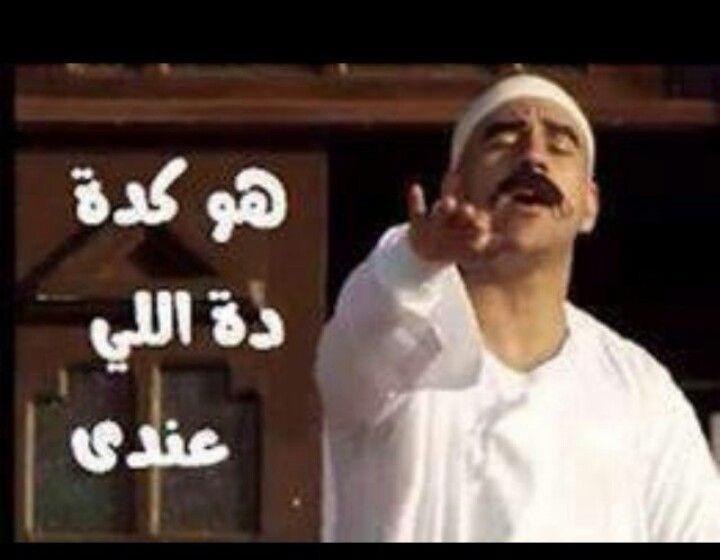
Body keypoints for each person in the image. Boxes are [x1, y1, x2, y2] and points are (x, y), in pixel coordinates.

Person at [314, 73, 720, 542]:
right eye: (504, 139)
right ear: (455, 187)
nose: (533, 156)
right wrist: (418, 256)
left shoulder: (641, 390)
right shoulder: (400, 350)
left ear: (589, 205)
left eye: (560, 145)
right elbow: (369, 325)